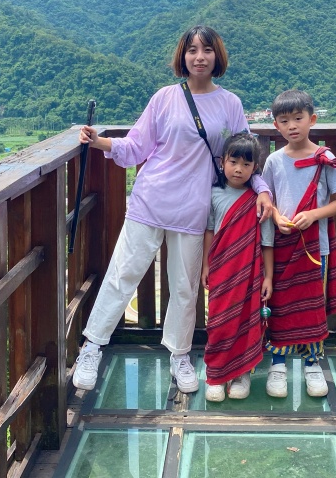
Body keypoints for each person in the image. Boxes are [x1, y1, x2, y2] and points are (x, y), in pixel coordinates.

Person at [72, 25, 273, 394]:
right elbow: (135, 147)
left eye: (207, 50)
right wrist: (99, 141)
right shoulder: (165, 97)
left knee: (184, 289)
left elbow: (247, 156)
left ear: (218, 57)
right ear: (182, 56)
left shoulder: (230, 103)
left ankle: (180, 356)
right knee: (122, 276)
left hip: (196, 209)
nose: (199, 57)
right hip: (151, 200)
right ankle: (92, 347)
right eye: (192, 50)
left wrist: (261, 190)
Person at [261, 89, 336, 398]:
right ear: (277, 126)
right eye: (285, 121)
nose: (293, 126)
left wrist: (313, 214)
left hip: (315, 249)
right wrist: (275, 217)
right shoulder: (272, 161)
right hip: (282, 247)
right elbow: (266, 200)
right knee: (280, 307)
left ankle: (312, 364)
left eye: (298, 118)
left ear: (312, 119)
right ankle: (278, 364)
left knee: (312, 308)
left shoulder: (326, 160)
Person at [200, 132, 275, 402]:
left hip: (250, 273)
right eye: (234, 162)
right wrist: (206, 265)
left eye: (246, 164)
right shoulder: (214, 193)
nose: (239, 169)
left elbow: (267, 241)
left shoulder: (259, 200)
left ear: (255, 168)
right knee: (218, 322)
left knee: (248, 321)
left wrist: (268, 276)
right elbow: (210, 231)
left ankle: (242, 373)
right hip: (221, 270)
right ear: (223, 163)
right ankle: (216, 374)